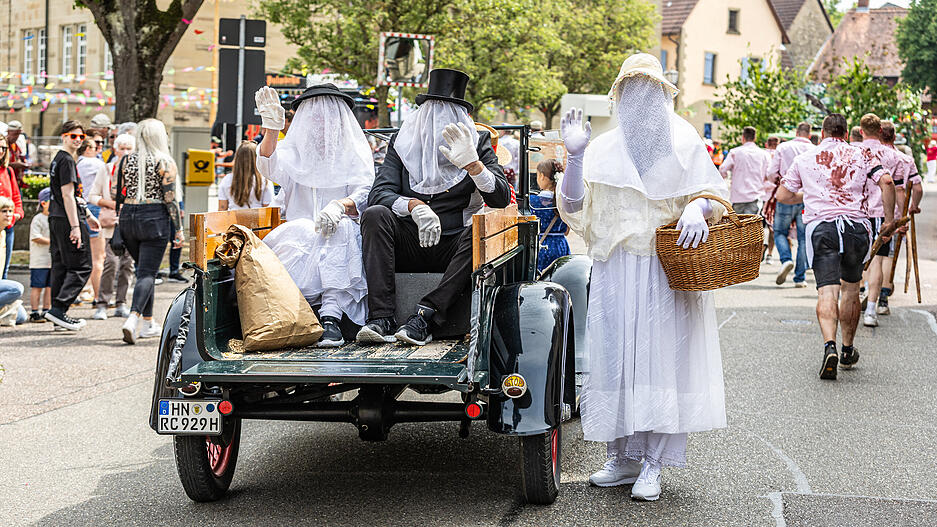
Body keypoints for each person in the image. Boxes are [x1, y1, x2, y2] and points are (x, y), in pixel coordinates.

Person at [558, 54, 729, 501]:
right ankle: (622, 457)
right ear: (619, 98)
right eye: (630, 92)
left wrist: (699, 206)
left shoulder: (685, 140)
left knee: (660, 362)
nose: (640, 101)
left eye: (648, 91)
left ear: (662, 95)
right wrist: (574, 159)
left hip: (663, 270)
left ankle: (653, 462)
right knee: (616, 360)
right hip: (615, 271)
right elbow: (574, 208)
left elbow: (714, 193)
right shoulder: (603, 149)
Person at [359, 69, 511, 346]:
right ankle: (381, 318)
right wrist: (414, 206)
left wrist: (474, 165)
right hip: (407, 242)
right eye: (433, 112)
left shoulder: (477, 143)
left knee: (480, 231)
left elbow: (500, 198)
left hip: (453, 249)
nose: (439, 122)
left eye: (448, 114)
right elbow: (379, 193)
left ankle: (426, 316)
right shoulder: (402, 143)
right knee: (374, 215)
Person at [776, 113, 895, 380]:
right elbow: (887, 182)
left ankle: (829, 345)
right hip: (855, 228)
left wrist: (808, 195)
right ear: (844, 132)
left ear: (825, 132)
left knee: (826, 292)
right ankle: (847, 349)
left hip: (823, 229)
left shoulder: (806, 158)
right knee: (851, 290)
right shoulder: (862, 154)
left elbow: (782, 195)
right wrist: (888, 221)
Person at [255, 84, 374, 346]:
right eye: (314, 115)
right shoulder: (293, 153)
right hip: (299, 236)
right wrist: (272, 129)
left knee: (339, 229)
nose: (321, 122)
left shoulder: (353, 152)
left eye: (327, 115)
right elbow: (268, 164)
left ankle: (331, 316)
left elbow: (364, 192)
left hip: (341, 234)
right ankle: (298, 314)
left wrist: (339, 207)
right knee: (302, 230)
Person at [116, 118, 184, 344]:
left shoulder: (127, 160)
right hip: (154, 217)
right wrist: (179, 230)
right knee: (147, 273)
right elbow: (171, 200)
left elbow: (121, 193)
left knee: (145, 270)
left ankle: (148, 322)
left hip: (129, 216)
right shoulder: (164, 161)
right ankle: (133, 318)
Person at [45, 120, 98, 330]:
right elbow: (68, 195)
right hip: (67, 219)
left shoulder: (59, 159)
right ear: (64, 136)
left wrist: (87, 214)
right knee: (81, 266)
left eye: (81, 137)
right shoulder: (66, 160)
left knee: (61, 265)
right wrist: (76, 226)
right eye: (73, 136)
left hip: (58, 217)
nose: (77, 140)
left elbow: (71, 196)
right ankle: (59, 308)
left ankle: (57, 315)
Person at [855, 113, 900, 328]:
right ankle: (871, 310)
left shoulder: (853, 151)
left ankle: (852, 300)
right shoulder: (893, 156)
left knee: (854, 260)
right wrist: (895, 218)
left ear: (861, 131)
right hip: (882, 213)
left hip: (858, 213)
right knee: (879, 262)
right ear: (880, 131)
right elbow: (897, 187)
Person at [88, 133, 136, 319]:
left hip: (131, 223)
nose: (125, 152)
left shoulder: (136, 171)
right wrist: (111, 204)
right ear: (115, 149)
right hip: (111, 224)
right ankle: (102, 302)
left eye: (128, 148)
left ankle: (121, 302)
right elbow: (92, 196)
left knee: (127, 265)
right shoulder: (106, 169)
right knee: (111, 262)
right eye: (121, 148)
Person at [879, 123, 923, 315]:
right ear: (894, 137)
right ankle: (882, 296)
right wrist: (913, 206)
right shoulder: (905, 160)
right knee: (889, 254)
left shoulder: (870, 155)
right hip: (897, 214)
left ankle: (867, 290)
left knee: (872, 254)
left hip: (872, 212)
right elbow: (918, 188)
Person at [767, 122, 814, 287]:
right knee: (803, 237)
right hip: (806, 198)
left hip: (786, 195)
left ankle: (786, 259)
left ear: (796, 132)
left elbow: (771, 172)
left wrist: (776, 182)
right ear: (809, 134)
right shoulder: (815, 150)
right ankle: (800, 278)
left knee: (780, 231)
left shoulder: (783, 147)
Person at [76, 136, 107, 310]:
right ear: (87, 149)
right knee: (98, 257)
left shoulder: (77, 164)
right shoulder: (96, 164)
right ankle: (98, 296)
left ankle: (83, 291)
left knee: (84, 254)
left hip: (81, 209)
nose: (99, 148)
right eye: (96, 146)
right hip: (94, 208)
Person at [719, 126, 771, 215]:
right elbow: (769, 174)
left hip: (737, 196)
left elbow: (722, 169)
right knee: (752, 226)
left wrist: (726, 177)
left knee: (737, 226)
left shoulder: (734, 152)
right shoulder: (764, 154)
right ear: (755, 138)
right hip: (756, 195)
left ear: (743, 138)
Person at [530, 159, 570, 273]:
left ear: (542, 176)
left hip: (541, 247)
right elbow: (566, 231)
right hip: (560, 246)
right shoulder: (563, 201)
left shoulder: (532, 202)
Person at [217, 141, 274, 211]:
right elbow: (268, 210)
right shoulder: (264, 181)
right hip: (258, 220)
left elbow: (222, 209)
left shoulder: (226, 180)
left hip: (233, 220)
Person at [0, 134, 24, 279]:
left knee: (4, 271)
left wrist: (17, 214)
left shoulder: (8, 171)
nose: (1, 151)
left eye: (3, 148)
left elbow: (16, 198)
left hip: (7, 227)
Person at [0, 196, 27, 325]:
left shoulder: (3, 234)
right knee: (16, 289)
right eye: (4, 211)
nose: (9, 214)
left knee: (21, 317)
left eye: (10, 211)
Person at [28, 188, 53, 322]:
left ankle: (46, 310)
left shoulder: (54, 218)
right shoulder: (38, 219)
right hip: (39, 260)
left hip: (52, 260)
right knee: (37, 286)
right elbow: (36, 237)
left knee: (50, 287)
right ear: (44, 203)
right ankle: (34, 311)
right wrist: (53, 242)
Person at [762, 136, 780, 265]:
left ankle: (760, 248)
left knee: (756, 226)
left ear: (766, 144)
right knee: (773, 227)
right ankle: (769, 254)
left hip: (760, 194)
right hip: (774, 196)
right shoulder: (780, 155)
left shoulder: (762, 154)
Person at [6, 120, 28, 187]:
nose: (16, 137)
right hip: (6, 181)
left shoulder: (16, 146)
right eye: (15, 134)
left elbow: (20, 157)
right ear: (9, 132)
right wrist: (13, 165)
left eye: (18, 134)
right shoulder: (3, 146)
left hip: (15, 182)